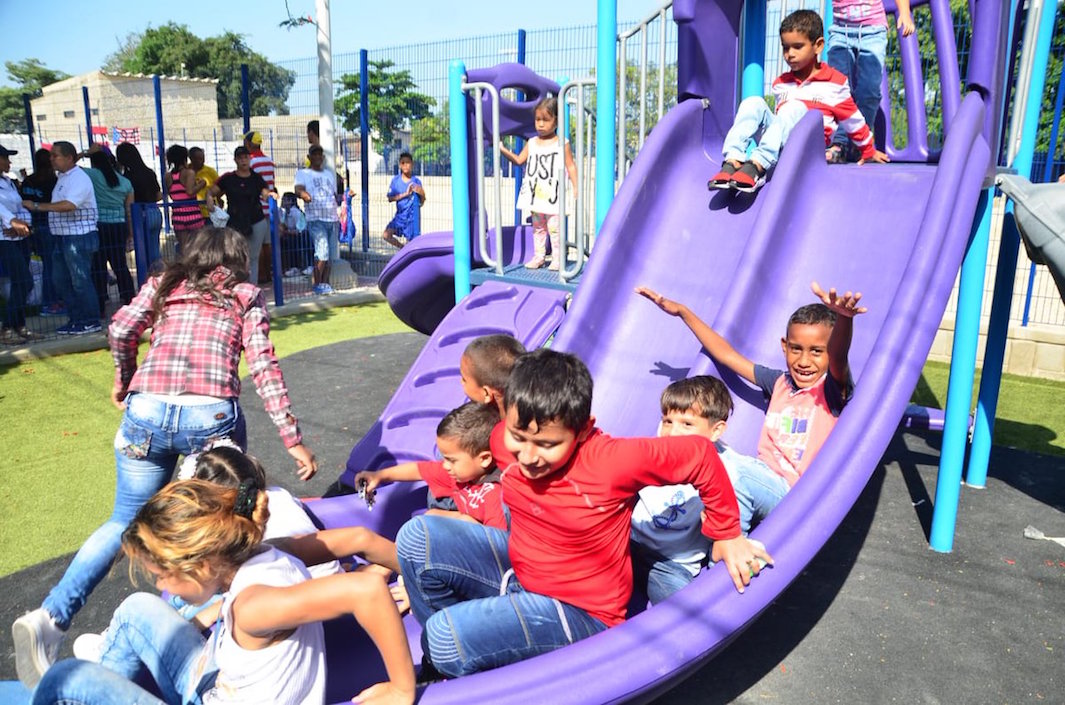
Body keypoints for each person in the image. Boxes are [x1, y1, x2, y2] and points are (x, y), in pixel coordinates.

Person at [11, 226, 317, 689]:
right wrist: (291, 437)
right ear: (236, 259)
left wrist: (125, 377)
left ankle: (50, 619)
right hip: (208, 416)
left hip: (147, 409)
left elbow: (120, 328)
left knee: (124, 521)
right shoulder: (244, 295)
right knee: (215, 522)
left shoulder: (164, 284)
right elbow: (263, 367)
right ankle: (185, 630)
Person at [395, 349, 771, 678]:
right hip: (521, 573)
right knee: (417, 536)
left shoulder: (611, 461)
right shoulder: (502, 441)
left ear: (581, 430)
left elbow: (701, 456)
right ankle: (455, 663)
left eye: (547, 444)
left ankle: (463, 657)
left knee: (445, 637)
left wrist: (726, 533)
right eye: (519, 437)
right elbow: (504, 449)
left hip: (581, 612)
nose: (527, 456)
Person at [32, 480, 416, 705]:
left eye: (162, 576)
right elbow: (360, 538)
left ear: (201, 567)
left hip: (216, 691)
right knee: (138, 609)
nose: (163, 586)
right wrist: (418, 580)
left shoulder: (253, 607)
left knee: (65, 679)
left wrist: (402, 688)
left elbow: (364, 588)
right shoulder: (270, 551)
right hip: (217, 682)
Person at [636, 281, 865, 489]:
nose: (804, 361)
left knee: (734, 474)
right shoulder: (779, 382)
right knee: (705, 450)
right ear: (784, 346)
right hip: (759, 476)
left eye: (817, 351)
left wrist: (845, 318)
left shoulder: (831, 390)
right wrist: (683, 313)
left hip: (791, 490)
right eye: (796, 349)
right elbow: (726, 355)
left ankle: (730, 534)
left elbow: (838, 357)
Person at [631, 376, 783, 604]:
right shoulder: (659, 448)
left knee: (682, 613)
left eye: (687, 424)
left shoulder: (729, 472)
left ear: (716, 431)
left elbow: (784, 499)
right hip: (629, 542)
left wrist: (742, 540)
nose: (672, 433)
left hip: (669, 563)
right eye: (667, 421)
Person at [708, 9, 888, 193]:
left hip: (810, 148)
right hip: (782, 145)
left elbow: (853, 120)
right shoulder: (782, 84)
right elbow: (781, 123)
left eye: (797, 47)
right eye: (785, 47)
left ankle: (758, 167)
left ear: (818, 46)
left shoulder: (834, 83)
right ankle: (732, 160)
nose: (790, 54)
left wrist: (869, 150)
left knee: (794, 107)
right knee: (752, 102)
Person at [22, 141, 101, 335]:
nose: (51, 159)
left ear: (68, 158)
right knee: (61, 280)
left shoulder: (79, 179)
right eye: (50, 155)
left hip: (78, 237)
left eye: (55, 155)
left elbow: (69, 205)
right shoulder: (63, 177)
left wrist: (38, 206)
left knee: (80, 281)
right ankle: (76, 318)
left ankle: (91, 320)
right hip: (62, 235)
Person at [825, 0, 915, 162]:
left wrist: (905, 12)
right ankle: (840, 143)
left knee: (869, 90)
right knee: (838, 90)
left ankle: (859, 143)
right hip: (840, 31)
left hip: (872, 31)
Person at [499, 95, 578, 270]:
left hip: (553, 196)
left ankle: (557, 259)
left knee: (555, 229)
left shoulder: (562, 143)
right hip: (536, 196)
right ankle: (539, 257)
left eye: (546, 120)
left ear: (556, 122)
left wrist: (575, 187)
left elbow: (571, 166)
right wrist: (504, 150)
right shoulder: (532, 142)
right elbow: (520, 160)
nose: (540, 124)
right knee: (538, 228)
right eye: (537, 120)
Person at [80, 145, 135, 313]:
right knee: (120, 264)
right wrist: (130, 233)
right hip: (118, 227)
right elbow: (129, 210)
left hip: (99, 226)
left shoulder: (92, 175)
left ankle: (100, 303)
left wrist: (84, 153)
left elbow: (66, 167)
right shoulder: (125, 182)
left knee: (98, 266)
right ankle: (129, 298)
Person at [206, 147, 273, 285]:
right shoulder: (228, 178)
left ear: (249, 159)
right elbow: (211, 191)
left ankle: (251, 289)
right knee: (234, 257)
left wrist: (270, 195)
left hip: (256, 221)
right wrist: (209, 199)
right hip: (235, 224)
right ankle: (235, 287)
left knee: (253, 257)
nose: (243, 160)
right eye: (240, 158)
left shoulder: (256, 178)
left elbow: (265, 192)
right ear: (235, 160)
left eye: (245, 157)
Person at [20, 148, 63, 317]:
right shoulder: (53, 181)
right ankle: (50, 302)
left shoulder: (28, 181)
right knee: (51, 265)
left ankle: (48, 300)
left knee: (45, 264)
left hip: (31, 226)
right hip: (48, 225)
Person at [0, 144, 36, 344]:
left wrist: (23, 225)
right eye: (4, 158)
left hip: (19, 237)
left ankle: (19, 325)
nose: (8, 162)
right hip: (3, 240)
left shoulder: (9, 183)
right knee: (25, 280)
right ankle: (6, 328)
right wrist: (12, 222)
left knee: (20, 283)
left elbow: (20, 207)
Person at [295, 145, 341, 295]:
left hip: (332, 217)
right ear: (309, 157)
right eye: (314, 155)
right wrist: (303, 194)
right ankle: (317, 283)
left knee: (330, 254)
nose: (317, 157)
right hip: (315, 218)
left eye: (320, 154)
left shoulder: (329, 174)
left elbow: (334, 194)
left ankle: (326, 283)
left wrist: (343, 198)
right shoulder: (303, 173)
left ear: (322, 157)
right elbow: (298, 189)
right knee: (322, 252)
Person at [115, 142, 163, 273]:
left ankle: (146, 283)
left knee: (142, 255)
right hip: (154, 211)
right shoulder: (149, 172)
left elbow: (127, 202)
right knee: (155, 252)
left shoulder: (126, 179)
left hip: (138, 215)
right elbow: (159, 196)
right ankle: (160, 281)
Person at [164, 144, 205, 250]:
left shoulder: (168, 176)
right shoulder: (189, 173)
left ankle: (186, 266)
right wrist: (201, 184)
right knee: (198, 247)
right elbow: (190, 192)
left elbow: (171, 194)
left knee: (184, 248)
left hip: (178, 215)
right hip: (193, 214)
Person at [381, 152, 425, 249]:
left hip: (412, 219)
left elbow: (422, 202)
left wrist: (422, 193)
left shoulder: (416, 181)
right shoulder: (395, 181)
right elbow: (390, 198)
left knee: (412, 245)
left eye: (408, 162)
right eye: (403, 163)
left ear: (412, 164)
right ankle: (402, 249)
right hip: (400, 217)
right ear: (400, 165)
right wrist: (406, 194)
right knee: (386, 235)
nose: (405, 165)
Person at [243, 130, 276, 222]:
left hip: (256, 210)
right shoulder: (269, 161)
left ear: (249, 144)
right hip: (269, 207)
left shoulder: (251, 162)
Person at [278, 191, 310, 277]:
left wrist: (285, 232)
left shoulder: (296, 212)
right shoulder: (284, 212)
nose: (282, 201)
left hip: (301, 235)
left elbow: (299, 230)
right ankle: (288, 267)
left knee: (292, 242)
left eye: (285, 200)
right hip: (290, 233)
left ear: (291, 201)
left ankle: (297, 266)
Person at [188, 146, 219, 219]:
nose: (201, 161)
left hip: (208, 213)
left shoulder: (210, 172)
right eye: (198, 159)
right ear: (191, 158)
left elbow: (220, 187)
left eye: (202, 158)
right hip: (191, 212)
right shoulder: (186, 171)